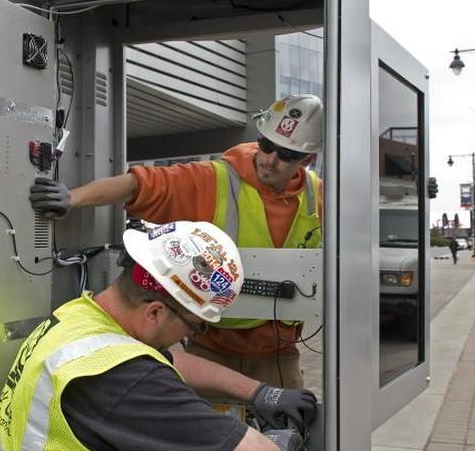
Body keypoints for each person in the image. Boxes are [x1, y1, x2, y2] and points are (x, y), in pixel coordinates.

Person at [0, 221, 318, 451]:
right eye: (196, 326)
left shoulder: (78, 320)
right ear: (155, 312)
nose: (189, 336)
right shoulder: (126, 381)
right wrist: (280, 442)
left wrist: (258, 392)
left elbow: (167, 360)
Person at [30, 94, 325, 389]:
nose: (270, 160)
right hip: (211, 350)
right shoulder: (213, 179)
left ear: (307, 159)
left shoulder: (319, 196)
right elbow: (138, 185)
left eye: (286, 154)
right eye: (267, 145)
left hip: (277, 356)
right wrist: (73, 198)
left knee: (284, 429)